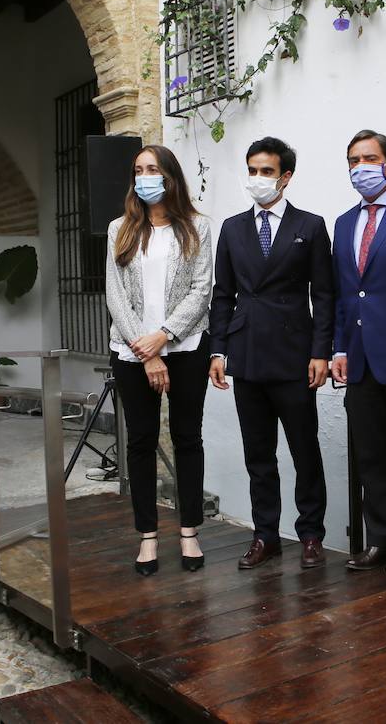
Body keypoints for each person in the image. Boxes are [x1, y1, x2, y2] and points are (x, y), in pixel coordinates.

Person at [209, 137, 334, 570]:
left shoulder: (310, 226)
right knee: (258, 453)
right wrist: (218, 351)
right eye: (252, 170)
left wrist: (321, 351)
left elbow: (325, 294)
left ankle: (311, 535)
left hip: (295, 355)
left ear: (285, 176)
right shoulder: (232, 228)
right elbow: (222, 295)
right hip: (247, 355)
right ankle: (265, 535)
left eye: (266, 171)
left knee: (304, 450)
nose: (257, 179)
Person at [104, 144, 213, 576]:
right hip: (132, 352)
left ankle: (189, 531)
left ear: (170, 176)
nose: (144, 176)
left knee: (188, 439)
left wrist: (164, 337)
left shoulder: (198, 227)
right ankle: (147, 536)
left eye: (152, 169)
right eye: (138, 170)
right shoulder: (120, 229)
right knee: (141, 441)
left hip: (185, 348)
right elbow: (114, 294)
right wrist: (145, 349)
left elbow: (201, 290)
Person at [330, 129, 386, 570]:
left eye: (369, 158)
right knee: (372, 456)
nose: (360, 167)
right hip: (359, 361)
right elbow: (345, 294)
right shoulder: (344, 223)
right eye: (352, 160)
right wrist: (339, 347)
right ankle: (383, 540)